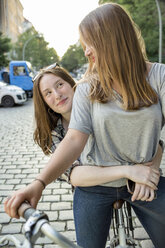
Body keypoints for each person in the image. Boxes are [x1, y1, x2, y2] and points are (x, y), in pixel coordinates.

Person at [5, 2, 165, 248]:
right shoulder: (87, 88)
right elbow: (74, 139)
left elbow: (160, 142)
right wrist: (39, 183)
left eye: (89, 44)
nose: (87, 52)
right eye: (83, 46)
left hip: (146, 182)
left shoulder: (160, 77)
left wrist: (149, 171)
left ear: (111, 39)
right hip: (95, 188)